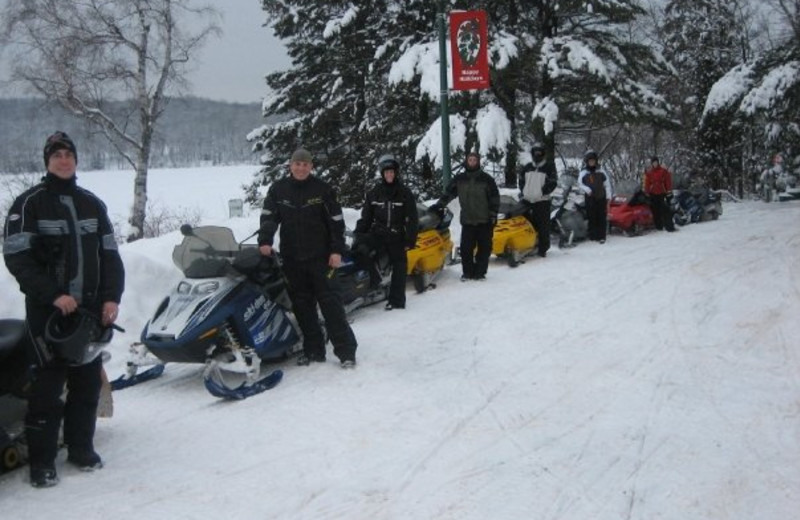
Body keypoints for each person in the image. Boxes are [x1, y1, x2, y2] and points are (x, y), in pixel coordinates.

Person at [3, 131, 125, 488]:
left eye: (69, 154)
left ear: (76, 160)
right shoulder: (29, 204)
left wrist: (111, 297)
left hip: (88, 311)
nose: (63, 160)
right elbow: (17, 258)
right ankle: (42, 463)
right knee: (47, 391)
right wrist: (54, 294)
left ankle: (80, 448)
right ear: (47, 161)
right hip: (49, 314)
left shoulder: (92, 204)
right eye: (56, 155)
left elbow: (110, 256)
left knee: (87, 384)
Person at [258, 148, 358, 369]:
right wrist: (265, 240)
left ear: (311, 167)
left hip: (321, 259)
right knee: (303, 308)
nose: (301, 168)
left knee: (331, 306)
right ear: (290, 165)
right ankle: (314, 350)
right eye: (297, 164)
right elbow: (268, 218)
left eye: (305, 164)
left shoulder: (322, 190)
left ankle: (346, 352)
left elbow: (336, 223)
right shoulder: (278, 190)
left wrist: (336, 250)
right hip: (292, 260)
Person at [354, 154, 419, 311]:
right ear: (382, 174)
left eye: (391, 172)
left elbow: (412, 218)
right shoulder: (374, 193)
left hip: (396, 235)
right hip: (379, 233)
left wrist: (410, 239)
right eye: (386, 172)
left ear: (396, 173)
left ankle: (396, 301)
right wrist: (358, 233)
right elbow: (366, 217)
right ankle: (373, 281)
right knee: (359, 250)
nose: (389, 175)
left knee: (400, 263)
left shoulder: (404, 193)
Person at [430, 151, 500, 281]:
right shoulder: (460, 179)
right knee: (466, 249)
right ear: (466, 162)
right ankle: (467, 273)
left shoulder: (486, 179)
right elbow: (448, 193)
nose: (472, 162)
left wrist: (493, 215)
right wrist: (439, 205)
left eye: (474, 160)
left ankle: (480, 273)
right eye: (470, 160)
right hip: (468, 220)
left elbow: (495, 198)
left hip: (485, 220)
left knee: (484, 249)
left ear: (478, 162)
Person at [518, 142, 557, 257]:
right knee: (526, 224)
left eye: (539, 152)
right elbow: (521, 180)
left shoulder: (549, 167)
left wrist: (543, 192)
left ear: (543, 153)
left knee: (543, 226)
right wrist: (524, 190)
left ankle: (543, 248)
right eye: (535, 152)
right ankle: (526, 244)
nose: (537, 154)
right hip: (527, 200)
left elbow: (553, 182)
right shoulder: (527, 167)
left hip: (542, 201)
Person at [577, 150, 613, 243]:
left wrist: (608, 196)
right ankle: (593, 235)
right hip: (590, 199)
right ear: (587, 162)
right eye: (590, 161)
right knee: (591, 217)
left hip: (601, 197)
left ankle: (601, 236)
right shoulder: (584, 172)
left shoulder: (601, 171)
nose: (591, 162)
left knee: (601, 217)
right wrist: (587, 189)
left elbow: (607, 184)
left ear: (596, 161)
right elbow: (579, 184)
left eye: (593, 160)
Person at [643, 156, 676, 232]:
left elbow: (668, 181)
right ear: (652, 164)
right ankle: (659, 226)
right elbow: (647, 184)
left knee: (665, 209)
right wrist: (646, 192)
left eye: (656, 162)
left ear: (658, 162)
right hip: (653, 194)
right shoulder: (649, 173)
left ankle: (669, 226)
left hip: (662, 193)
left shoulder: (663, 171)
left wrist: (669, 191)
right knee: (655, 210)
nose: (655, 164)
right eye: (653, 163)